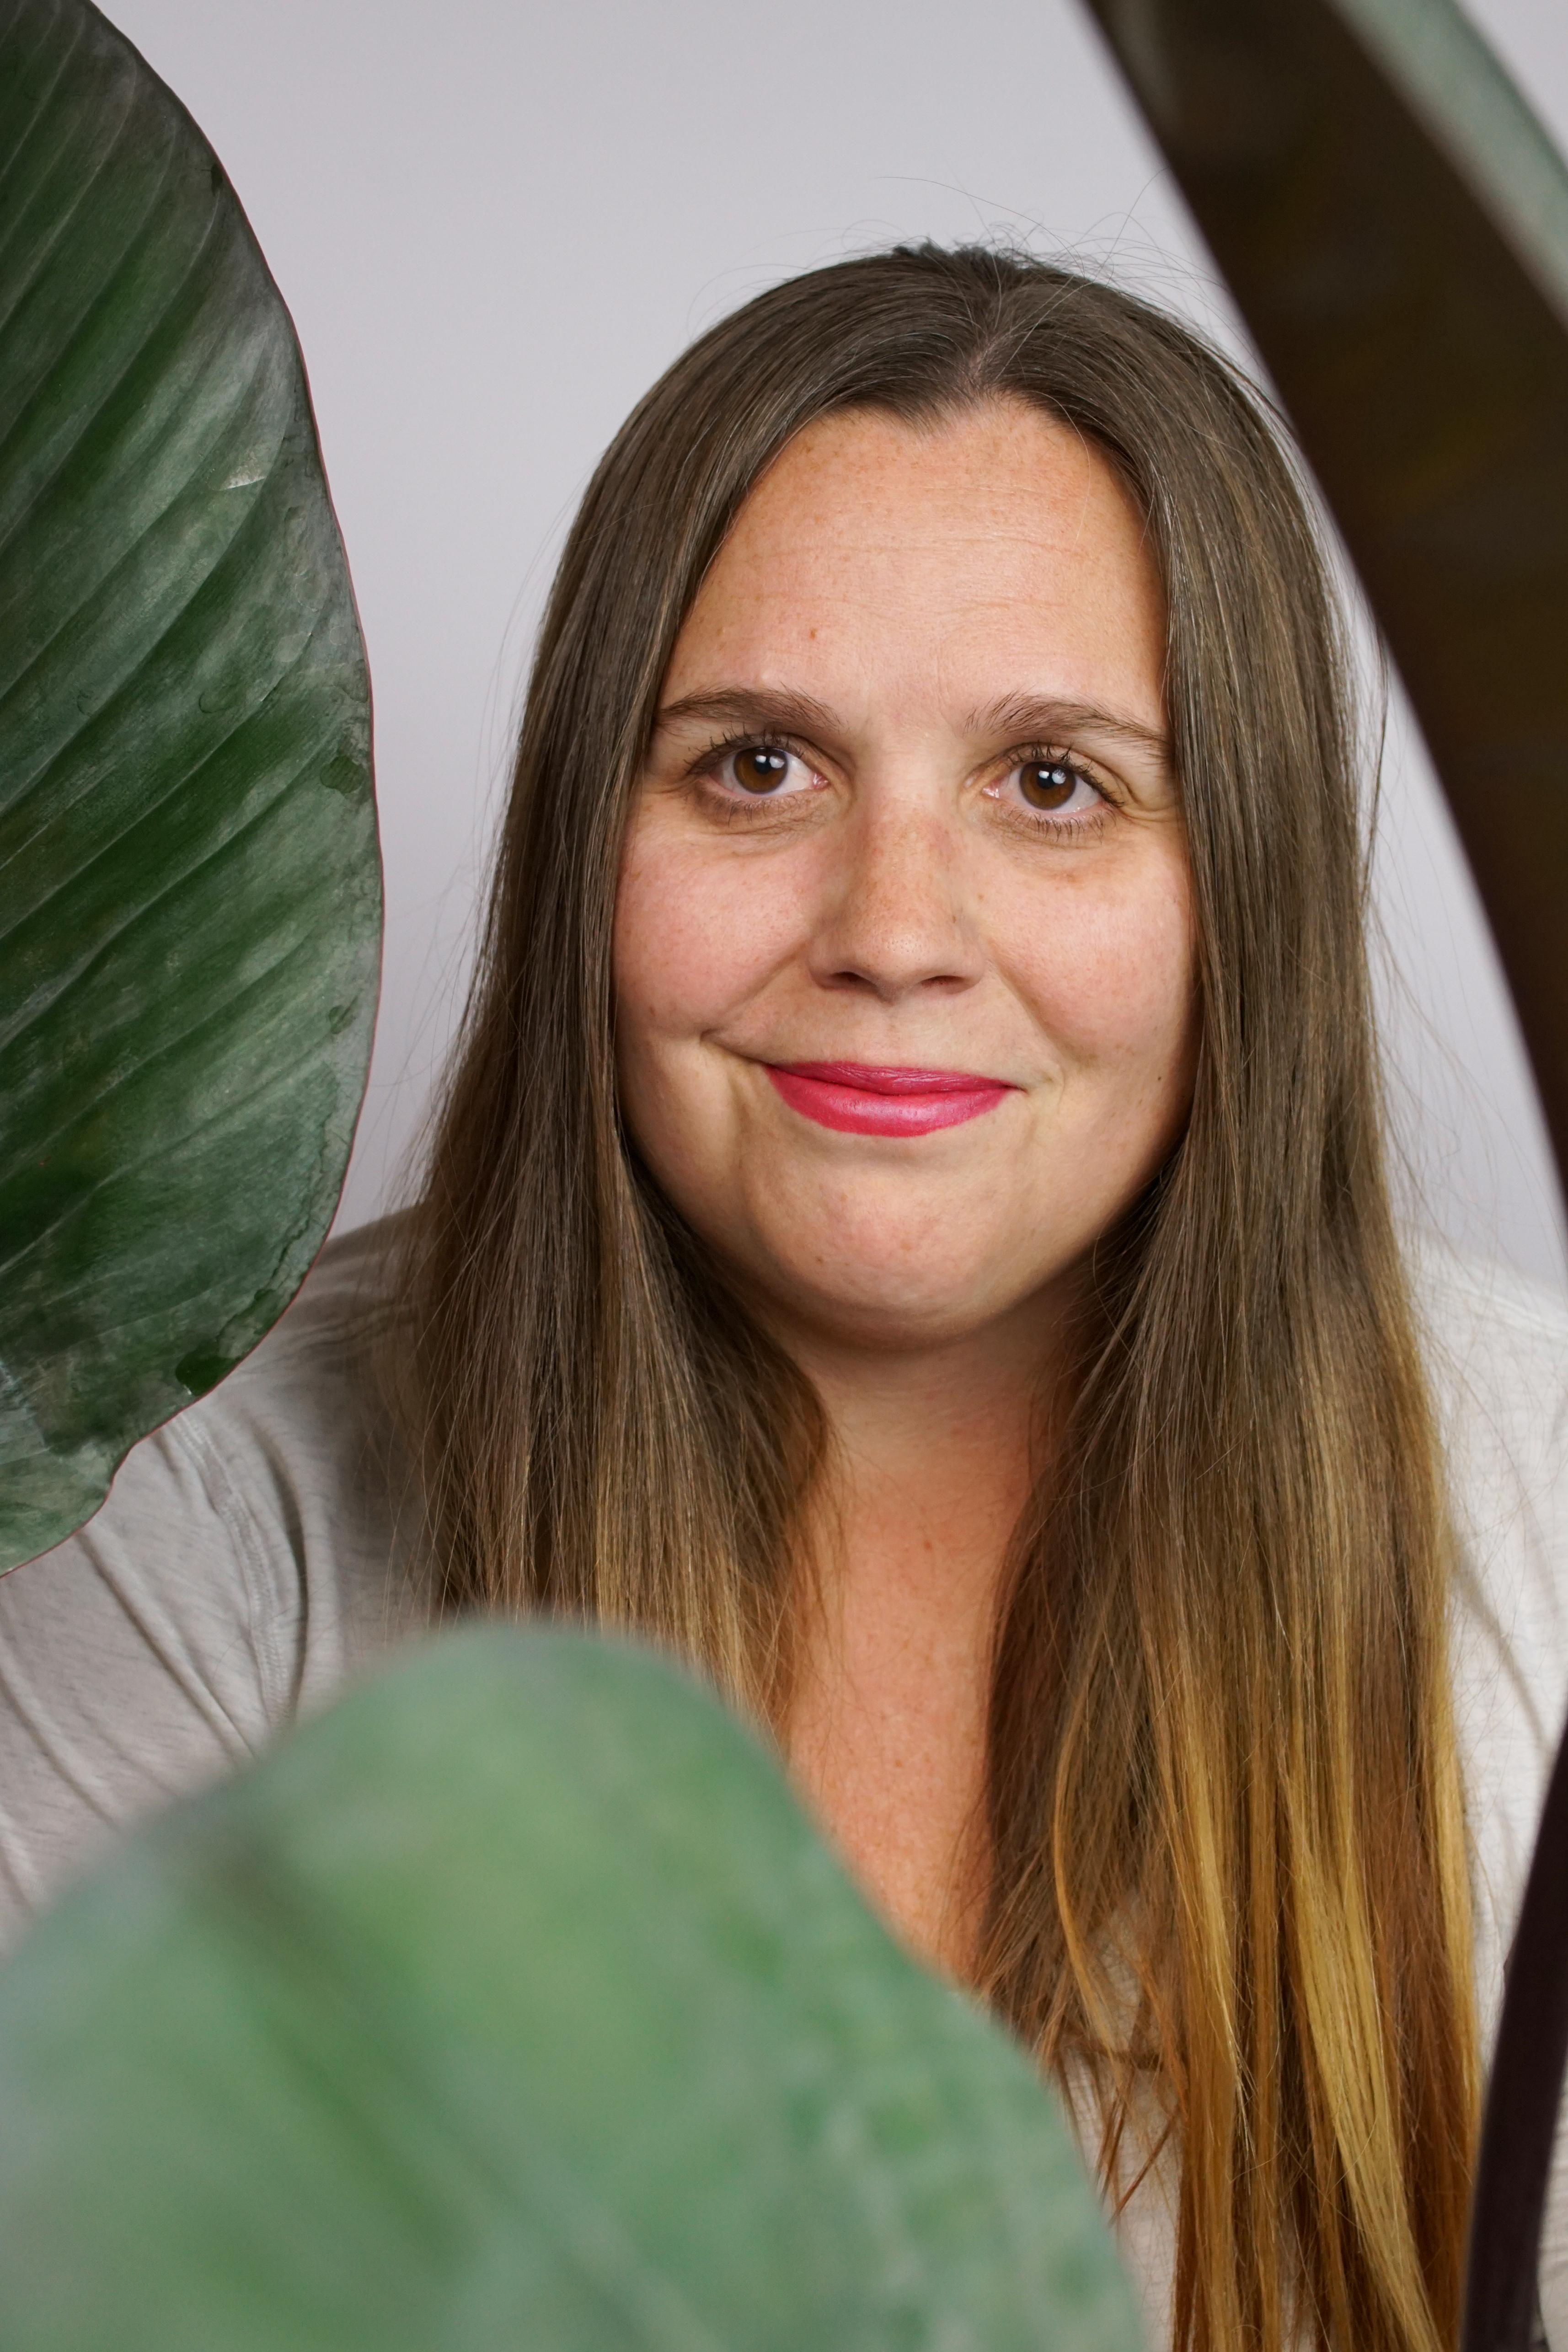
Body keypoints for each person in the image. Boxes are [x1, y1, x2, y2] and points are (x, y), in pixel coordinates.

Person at [1, 243, 1566, 2352]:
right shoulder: (184, 1526)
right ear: (590, 836)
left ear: (1245, 890)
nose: (893, 928)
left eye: (1053, 781)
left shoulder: (1547, 1512)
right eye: (756, 765)